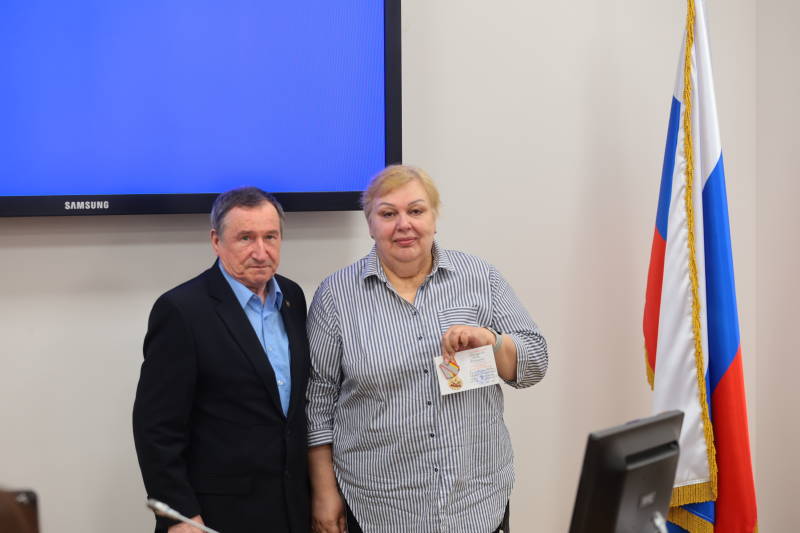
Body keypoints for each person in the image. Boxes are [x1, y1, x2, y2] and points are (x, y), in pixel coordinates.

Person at [306, 165, 549, 533]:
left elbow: (535, 362)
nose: (404, 224)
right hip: (380, 507)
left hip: (476, 502)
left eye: (416, 211)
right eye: (388, 214)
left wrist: (492, 341)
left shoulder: (479, 278)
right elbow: (319, 401)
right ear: (370, 224)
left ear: (434, 218)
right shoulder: (336, 296)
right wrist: (325, 493)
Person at [133, 187, 311, 533]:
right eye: (246, 238)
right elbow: (155, 428)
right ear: (216, 240)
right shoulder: (182, 310)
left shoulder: (292, 297)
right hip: (215, 515)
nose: (261, 251)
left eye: (270, 237)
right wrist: (178, 515)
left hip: (290, 508)